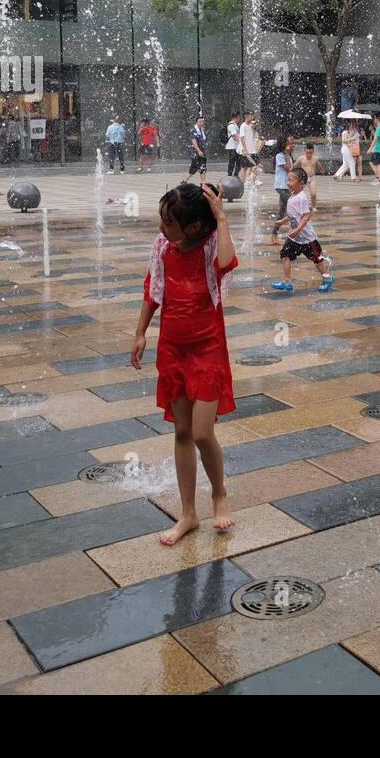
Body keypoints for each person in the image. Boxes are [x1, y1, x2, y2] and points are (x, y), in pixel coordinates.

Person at [131, 181, 238, 544]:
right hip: (172, 349)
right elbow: (153, 290)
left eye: (169, 222)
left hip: (207, 348)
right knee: (181, 432)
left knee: (202, 432)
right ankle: (188, 514)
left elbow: (227, 262)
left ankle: (219, 495)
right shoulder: (163, 247)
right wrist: (141, 332)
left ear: (193, 226)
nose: (162, 228)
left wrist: (221, 217)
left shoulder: (210, 248)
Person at [271, 167, 334, 293]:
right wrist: (282, 222)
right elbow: (293, 215)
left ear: (301, 184)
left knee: (317, 259)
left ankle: (327, 278)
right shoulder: (293, 196)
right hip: (295, 237)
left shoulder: (301, 198)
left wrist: (297, 230)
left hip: (307, 238)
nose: (288, 183)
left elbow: (306, 216)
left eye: (291, 180)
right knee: (285, 255)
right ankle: (286, 282)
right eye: (287, 180)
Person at [273, 134, 296, 218]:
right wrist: (286, 154)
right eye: (290, 143)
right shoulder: (280, 156)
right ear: (284, 145)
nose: (293, 145)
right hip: (281, 186)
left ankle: (275, 228)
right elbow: (289, 169)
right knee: (293, 203)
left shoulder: (289, 156)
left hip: (286, 186)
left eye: (294, 143)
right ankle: (296, 225)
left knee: (282, 209)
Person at [297, 142, 323, 209]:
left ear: (313, 151)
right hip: (303, 178)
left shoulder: (315, 159)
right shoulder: (301, 158)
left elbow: (319, 166)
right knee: (299, 193)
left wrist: (321, 170)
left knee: (313, 194)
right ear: (304, 151)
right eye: (307, 153)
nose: (309, 155)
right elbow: (295, 166)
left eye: (310, 153)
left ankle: (313, 206)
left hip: (311, 178)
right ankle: (299, 206)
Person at [237, 112, 259, 184]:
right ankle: (241, 182)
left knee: (256, 164)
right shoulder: (243, 125)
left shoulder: (251, 125)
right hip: (245, 150)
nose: (252, 117)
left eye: (252, 115)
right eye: (250, 115)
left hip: (251, 150)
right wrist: (244, 149)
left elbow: (253, 133)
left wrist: (254, 126)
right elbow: (242, 138)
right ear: (246, 116)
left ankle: (253, 180)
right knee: (244, 167)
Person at [367, 115, 380, 183]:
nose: (374, 120)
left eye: (374, 118)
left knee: (378, 164)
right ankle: (378, 177)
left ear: (378, 119)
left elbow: (375, 139)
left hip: (378, 149)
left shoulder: (379, 128)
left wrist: (370, 148)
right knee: (373, 163)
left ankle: (379, 179)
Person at [225, 112, 241, 176]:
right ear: (235, 117)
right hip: (232, 147)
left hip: (234, 147)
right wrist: (241, 142)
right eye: (239, 117)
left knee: (236, 162)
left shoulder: (234, 125)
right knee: (233, 162)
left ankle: (234, 175)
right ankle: (230, 175)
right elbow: (234, 136)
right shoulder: (231, 125)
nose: (239, 119)